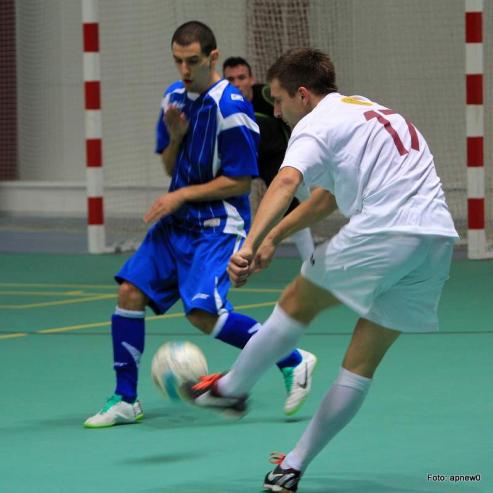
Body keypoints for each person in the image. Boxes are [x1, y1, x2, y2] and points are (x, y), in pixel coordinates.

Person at [183, 48, 459, 492]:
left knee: (296, 303)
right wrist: (273, 238)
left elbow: (287, 181)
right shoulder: (365, 112)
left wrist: (249, 243)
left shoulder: (314, 123)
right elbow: (325, 200)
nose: (276, 111)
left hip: (386, 230)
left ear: (303, 94)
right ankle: (292, 465)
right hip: (435, 242)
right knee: (359, 365)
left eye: (277, 100)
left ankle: (232, 389)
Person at [83, 23, 317, 428]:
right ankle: (125, 399)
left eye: (192, 60)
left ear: (212, 57)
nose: (184, 69)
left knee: (203, 314)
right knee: (129, 292)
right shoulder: (173, 99)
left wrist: (179, 196)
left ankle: (293, 359)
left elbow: (240, 181)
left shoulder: (232, 109)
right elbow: (171, 167)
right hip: (176, 225)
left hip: (217, 225)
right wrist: (175, 139)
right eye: (177, 60)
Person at [222, 56, 315, 261]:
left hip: (280, 159)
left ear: (251, 79)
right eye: (231, 79)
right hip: (244, 163)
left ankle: (311, 263)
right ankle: (230, 258)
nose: (237, 84)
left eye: (241, 77)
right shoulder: (220, 106)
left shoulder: (267, 95)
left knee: (305, 204)